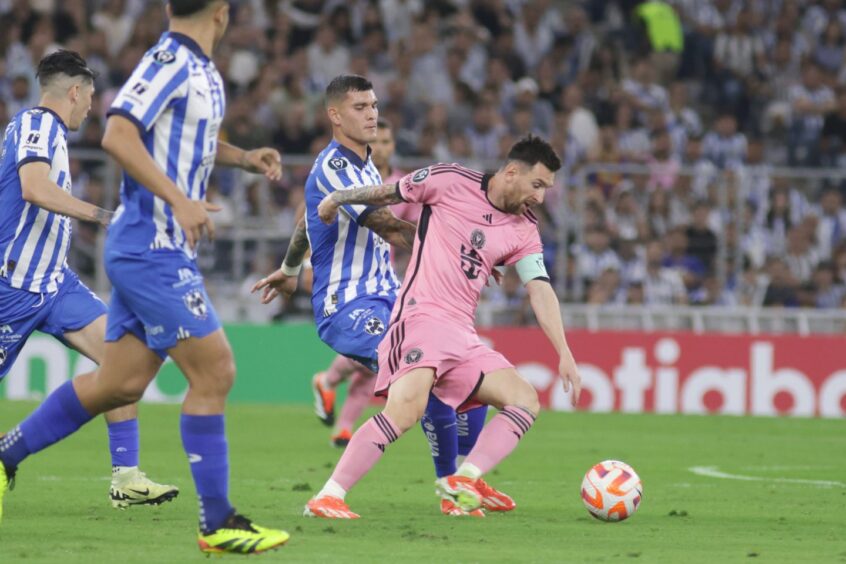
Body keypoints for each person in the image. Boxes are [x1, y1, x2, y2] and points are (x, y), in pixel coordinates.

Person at [0, 1, 290, 555]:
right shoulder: (169, 61)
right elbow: (118, 134)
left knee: (120, 383)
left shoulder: (201, 70)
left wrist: (243, 158)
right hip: (140, 249)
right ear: (222, 12)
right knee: (216, 372)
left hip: (82, 270)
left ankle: (10, 455)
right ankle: (218, 521)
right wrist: (178, 199)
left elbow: (188, 146)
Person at [253, 75, 513, 517]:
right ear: (334, 115)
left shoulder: (366, 168)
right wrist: (465, 253)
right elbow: (389, 227)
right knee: (424, 378)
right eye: (360, 107)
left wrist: (291, 268)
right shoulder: (334, 166)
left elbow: (306, 225)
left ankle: (466, 480)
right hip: (349, 308)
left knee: (464, 373)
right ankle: (441, 491)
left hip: (391, 301)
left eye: (373, 105)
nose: (371, 113)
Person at [305, 134, 582, 519]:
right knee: (404, 413)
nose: (540, 197)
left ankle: (464, 480)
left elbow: (540, 290)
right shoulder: (451, 180)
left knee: (524, 399)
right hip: (421, 319)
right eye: (537, 185)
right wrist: (339, 197)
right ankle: (328, 496)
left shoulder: (524, 229)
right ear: (512, 172)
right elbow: (390, 194)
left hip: (462, 334)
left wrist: (564, 352)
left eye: (547, 189)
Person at [0, 50, 177, 508]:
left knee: (124, 364)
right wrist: (104, 216)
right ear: (74, 91)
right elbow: (34, 189)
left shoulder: (51, 133)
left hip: (55, 285)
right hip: (11, 287)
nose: (91, 106)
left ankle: (126, 476)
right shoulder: (36, 125)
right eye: (90, 96)